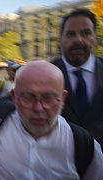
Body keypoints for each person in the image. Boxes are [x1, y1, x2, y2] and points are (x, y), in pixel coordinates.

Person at [0, 60, 103, 179]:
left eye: (48, 98)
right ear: (14, 97)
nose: (38, 108)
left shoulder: (84, 147)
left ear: (63, 98)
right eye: (27, 97)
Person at [52, 8, 103, 148]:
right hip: (59, 161)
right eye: (70, 34)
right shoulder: (45, 72)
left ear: (95, 38)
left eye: (86, 33)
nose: (78, 40)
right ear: (60, 39)